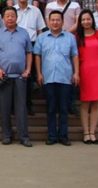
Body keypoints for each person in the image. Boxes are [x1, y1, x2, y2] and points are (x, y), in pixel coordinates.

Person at [0, 6, 33, 147]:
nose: (10, 18)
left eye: (12, 15)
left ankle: (23, 136)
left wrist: (28, 69)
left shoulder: (24, 33)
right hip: (4, 76)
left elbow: (29, 52)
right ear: (3, 18)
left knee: (21, 108)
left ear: (16, 17)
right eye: (7, 16)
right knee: (5, 107)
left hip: (20, 76)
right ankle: (7, 135)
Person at [34, 11, 80, 146]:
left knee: (64, 108)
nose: (55, 22)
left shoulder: (70, 37)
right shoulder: (42, 37)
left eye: (57, 20)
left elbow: (74, 55)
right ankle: (52, 135)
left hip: (65, 77)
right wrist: (39, 73)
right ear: (48, 22)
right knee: (51, 108)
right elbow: (37, 56)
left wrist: (76, 73)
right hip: (48, 77)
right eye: (52, 20)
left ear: (62, 22)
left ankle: (63, 135)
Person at [75, 9, 98, 144]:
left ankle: (92, 132)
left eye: (88, 19)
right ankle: (85, 132)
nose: (86, 22)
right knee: (85, 103)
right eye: (83, 20)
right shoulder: (77, 37)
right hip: (85, 71)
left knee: (96, 103)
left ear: (92, 20)